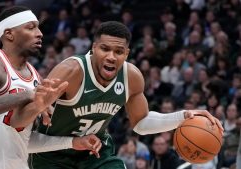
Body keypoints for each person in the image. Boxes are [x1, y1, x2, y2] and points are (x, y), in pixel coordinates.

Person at [30, 21, 223, 169]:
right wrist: (38, 106)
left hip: (94, 151)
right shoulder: (71, 71)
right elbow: (28, 120)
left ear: (127, 53)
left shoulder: (131, 77)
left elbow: (141, 122)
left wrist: (183, 117)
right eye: (105, 49)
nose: (111, 57)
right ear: (94, 47)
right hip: (51, 154)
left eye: (118, 51)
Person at [0, 6, 102, 169]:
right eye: (31, 27)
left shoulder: (36, 78)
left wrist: (72, 142)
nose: (39, 33)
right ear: (9, 34)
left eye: (38, 27)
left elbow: (22, 139)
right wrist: (26, 95)